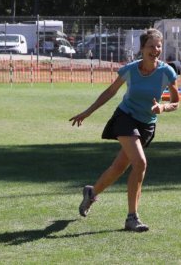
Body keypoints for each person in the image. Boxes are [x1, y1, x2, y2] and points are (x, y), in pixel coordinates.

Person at [69, 28, 179, 232]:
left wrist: (162, 107)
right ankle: (132, 218)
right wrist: (88, 112)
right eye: (151, 46)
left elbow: (175, 101)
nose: (155, 50)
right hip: (125, 117)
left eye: (158, 46)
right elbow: (110, 92)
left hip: (147, 124)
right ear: (142, 48)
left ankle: (91, 193)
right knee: (140, 163)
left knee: (120, 167)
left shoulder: (166, 72)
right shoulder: (130, 69)